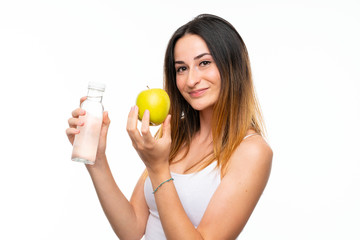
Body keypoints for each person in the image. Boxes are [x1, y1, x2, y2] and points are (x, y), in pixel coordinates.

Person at [66, 13, 272, 240]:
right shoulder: (175, 132)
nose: (191, 80)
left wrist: (158, 168)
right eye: (181, 68)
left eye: (204, 63)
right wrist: (97, 160)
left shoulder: (252, 151)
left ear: (232, 65)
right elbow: (133, 229)